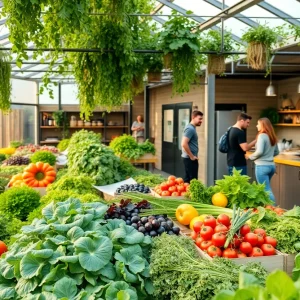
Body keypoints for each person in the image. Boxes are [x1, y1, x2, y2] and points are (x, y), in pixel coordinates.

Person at [246, 118, 279, 202]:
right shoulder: (272, 136)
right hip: (271, 166)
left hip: (262, 167)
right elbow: (276, 152)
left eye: (258, 124)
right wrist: (268, 156)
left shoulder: (261, 136)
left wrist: (249, 157)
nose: (256, 126)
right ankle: (267, 208)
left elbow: (259, 151)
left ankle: (274, 210)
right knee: (266, 189)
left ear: (263, 125)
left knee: (266, 190)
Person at [181, 110, 204, 183]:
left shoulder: (191, 128)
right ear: (193, 117)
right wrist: (191, 156)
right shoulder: (190, 129)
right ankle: (190, 194)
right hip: (190, 158)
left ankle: (185, 194)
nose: (201, 121)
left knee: (188, 180)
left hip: (189, 158)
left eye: (202, 119)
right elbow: (184, 143)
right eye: (200, 119)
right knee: (193, 181)